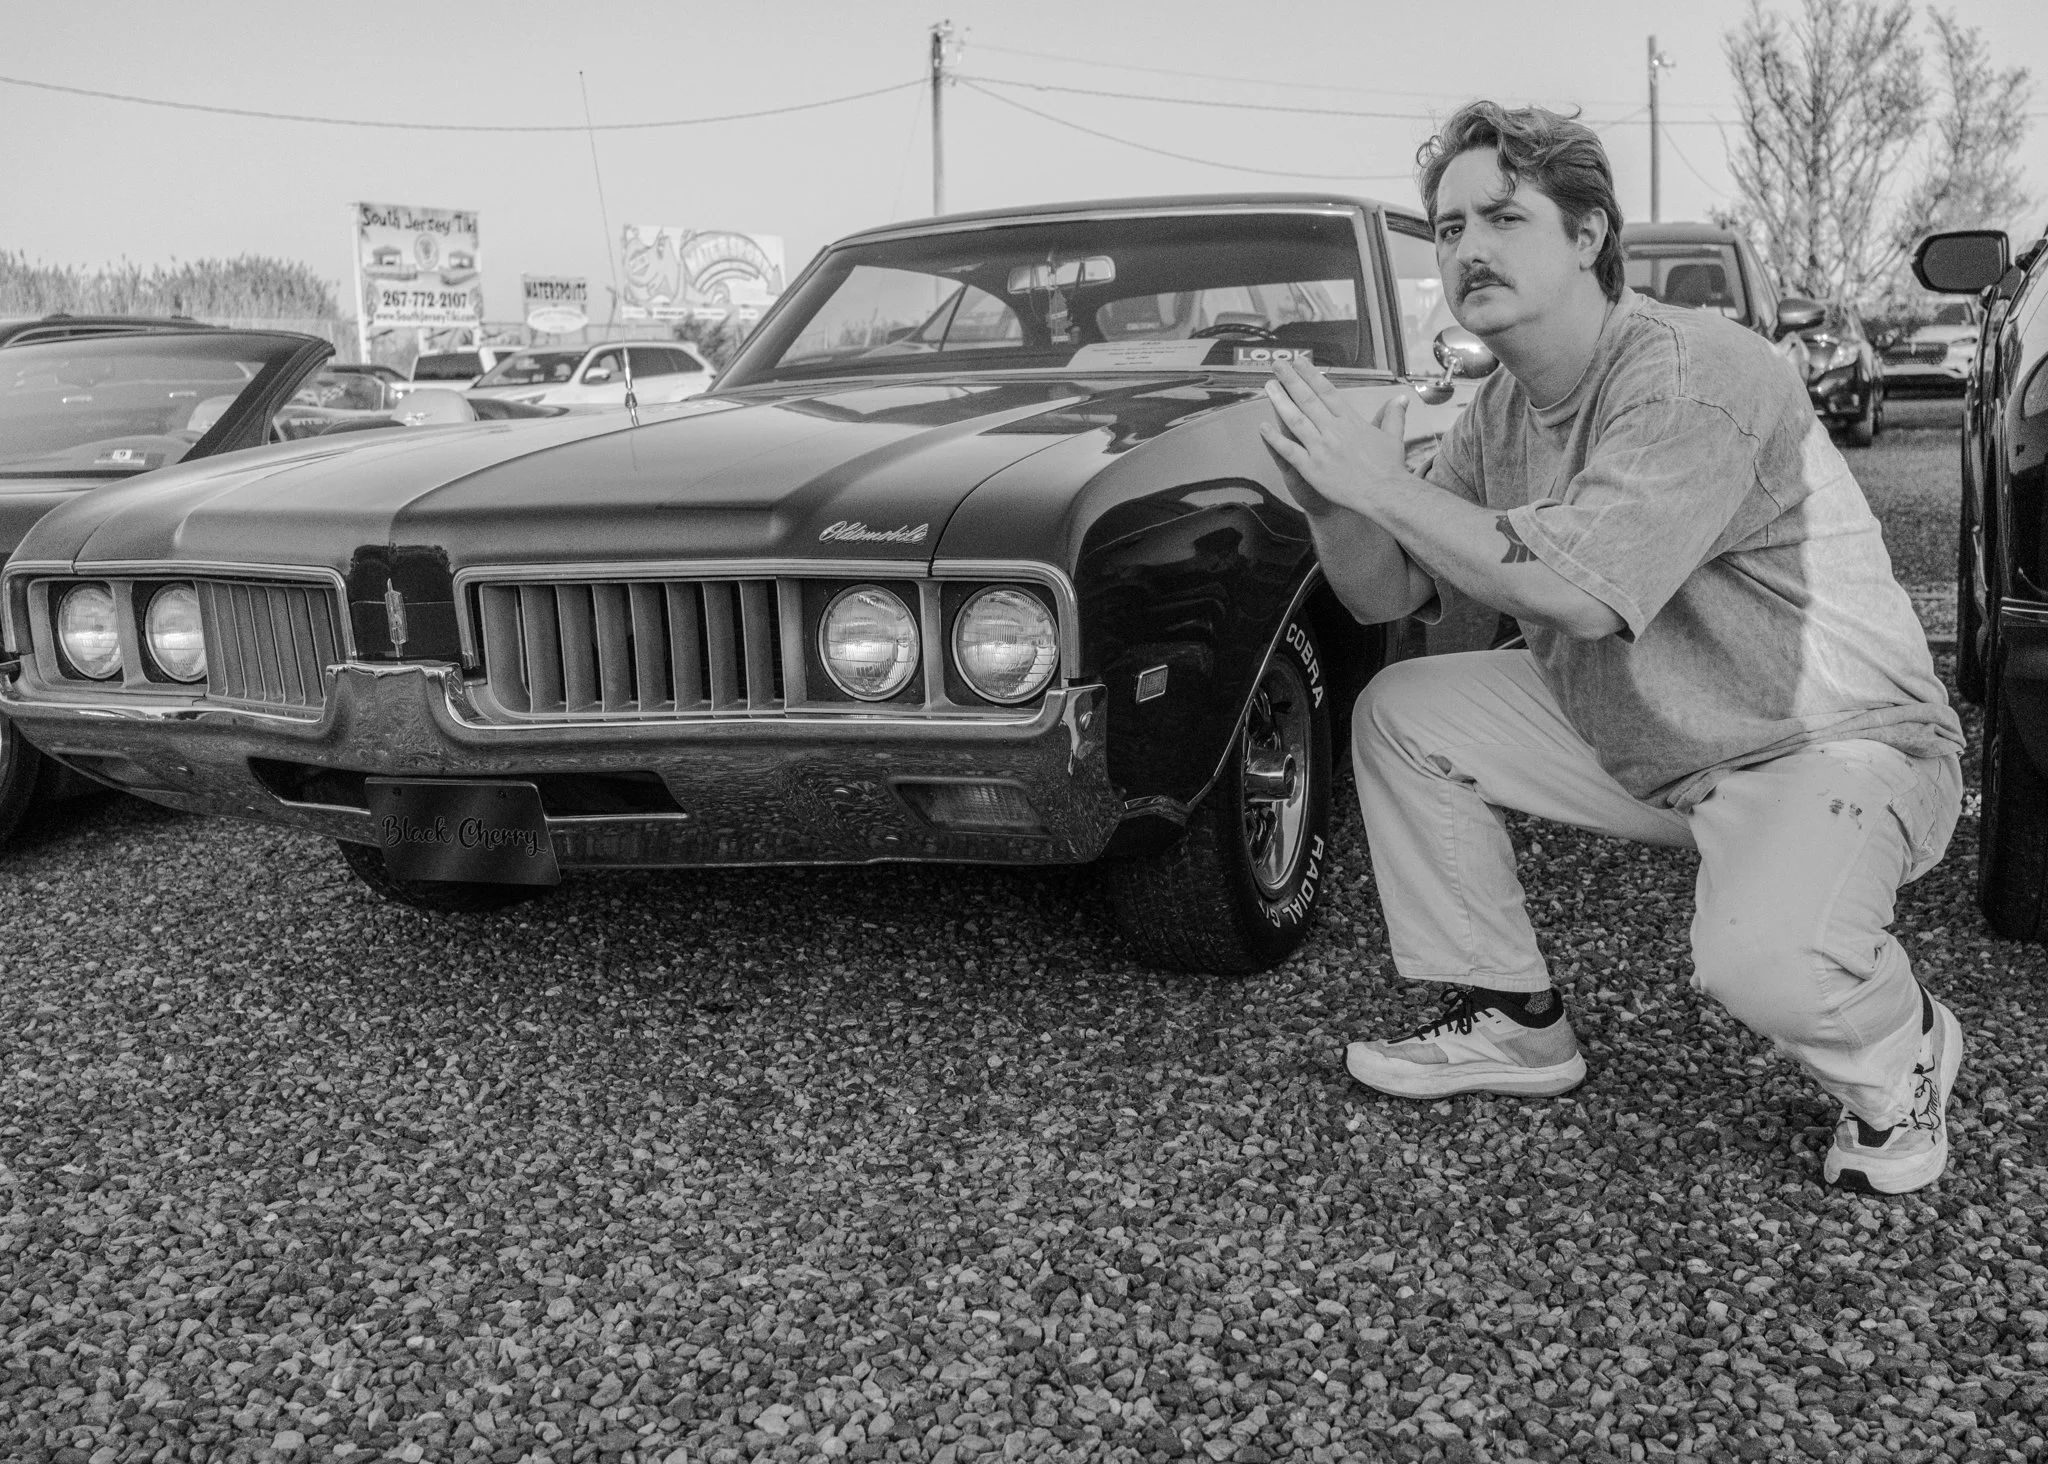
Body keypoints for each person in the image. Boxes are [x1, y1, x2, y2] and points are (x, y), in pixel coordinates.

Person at [1258, 101, 1966, 1195]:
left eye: (1502, 216)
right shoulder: (1498, 411)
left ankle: (1900, 1045)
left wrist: (1379, 481)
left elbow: (1572, 596)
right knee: (1404, 713)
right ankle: (1511, 1019)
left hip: (1827, 744)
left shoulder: (1691, 374)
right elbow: (1382, 592)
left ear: (1586, 234)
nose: (1467, 249)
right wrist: (1328, 501)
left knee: (1762, 966)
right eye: (1446, 229)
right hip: (1658, 732)